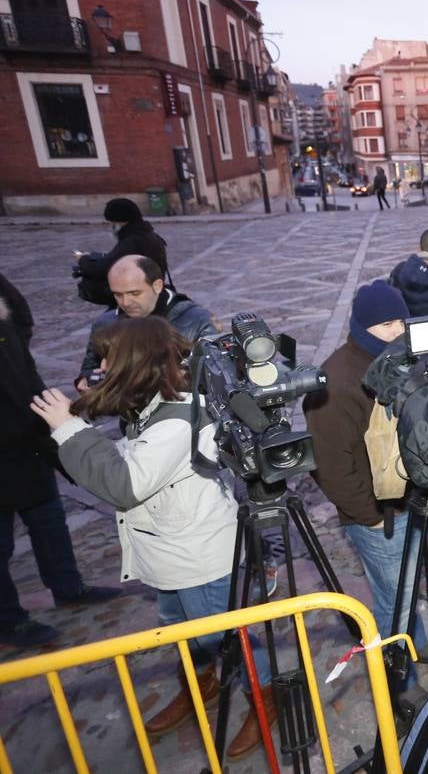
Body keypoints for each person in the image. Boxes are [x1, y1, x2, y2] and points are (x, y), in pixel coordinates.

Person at [30, 316, 274, 757]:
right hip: (168, 553)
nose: (100, 363)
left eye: (107, 355)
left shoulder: (176, 421)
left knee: (227, 636)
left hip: (198, 559)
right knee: (180, 632)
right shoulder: (155, 402)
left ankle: (268, 699)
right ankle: (201, 687)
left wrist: (68, 427)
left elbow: (125, 483)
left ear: (131, 361)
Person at [303, 281, 426, 675]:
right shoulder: (337, 380)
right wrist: (369, 515)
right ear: (361, 326)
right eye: (387, 324)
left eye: (402, 322)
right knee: (394, 600)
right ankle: (395, 678)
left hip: (408, 500)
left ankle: (415, 645)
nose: (397, 332)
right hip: (378, 516)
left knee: (406, 588)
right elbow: (329, 465)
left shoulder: (398, 359)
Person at [1, 273, 120, 648]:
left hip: (28, 440)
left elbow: (20, 313)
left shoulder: (8, 326)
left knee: (49, 520)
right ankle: (9, 621)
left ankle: (69, 587)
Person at [77, 255, 215, 391]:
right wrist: (87, 379)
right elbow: (90, 366)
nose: (125, 302)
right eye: (118, 294)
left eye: (135, 293)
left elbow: (213, 378)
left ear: (157, 286)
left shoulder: (198, 321)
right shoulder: (105, 323)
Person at [73, 198, 170, 307]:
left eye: (111, 223)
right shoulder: (146, 235)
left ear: (120, 222)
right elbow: (117, 257)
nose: (111, 227)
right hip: (149, 292)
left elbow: (104, 268)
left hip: (140, 297)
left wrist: (83, 260)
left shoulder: (132, 241)